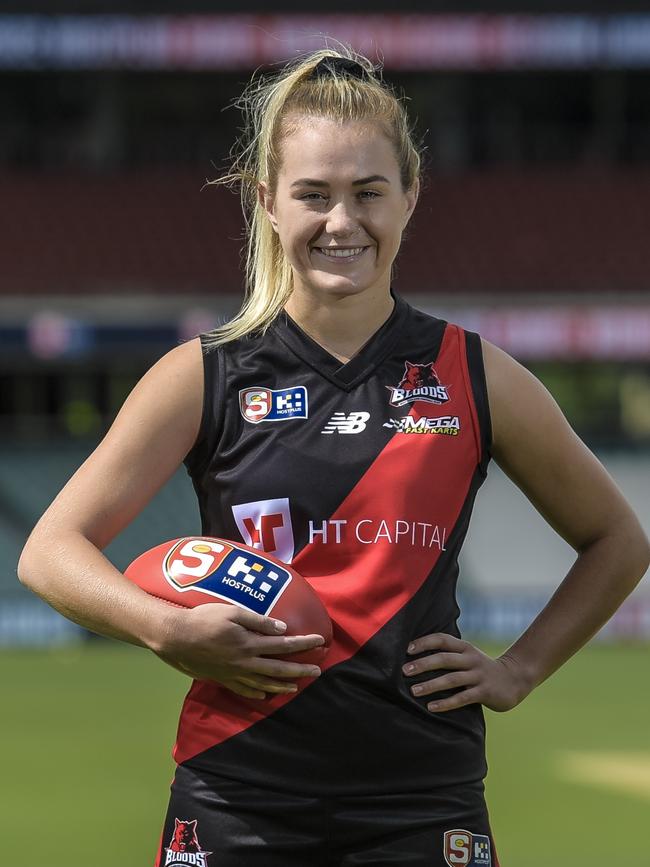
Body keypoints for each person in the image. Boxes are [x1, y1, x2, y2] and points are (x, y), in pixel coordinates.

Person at [18, 47, 649, 867]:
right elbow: (48, 551)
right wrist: (165, 628)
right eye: (313, 194)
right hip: (236, 792)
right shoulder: (203, 375)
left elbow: (618, 539)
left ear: (410, 198)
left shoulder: (477, 373)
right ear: (268, 203)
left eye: (368, 193)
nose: (341, 222)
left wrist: (519, 670)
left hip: (425, 799)